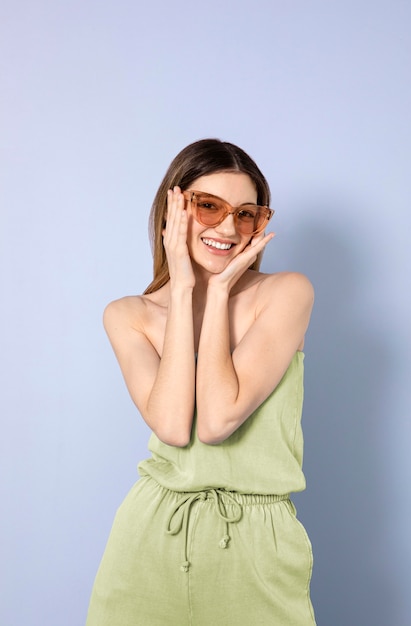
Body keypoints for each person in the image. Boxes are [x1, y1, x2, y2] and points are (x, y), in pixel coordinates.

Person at [86, 138, 316, 626]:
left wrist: (217, 292)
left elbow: (217, 420)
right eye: (208, 206)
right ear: (172, 210)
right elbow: (172, 425)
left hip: (256, 544)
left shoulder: (285, 294)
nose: (228, 227)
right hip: (150, 540)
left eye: (246, 213)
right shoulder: (129, 315)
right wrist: (185, 284)